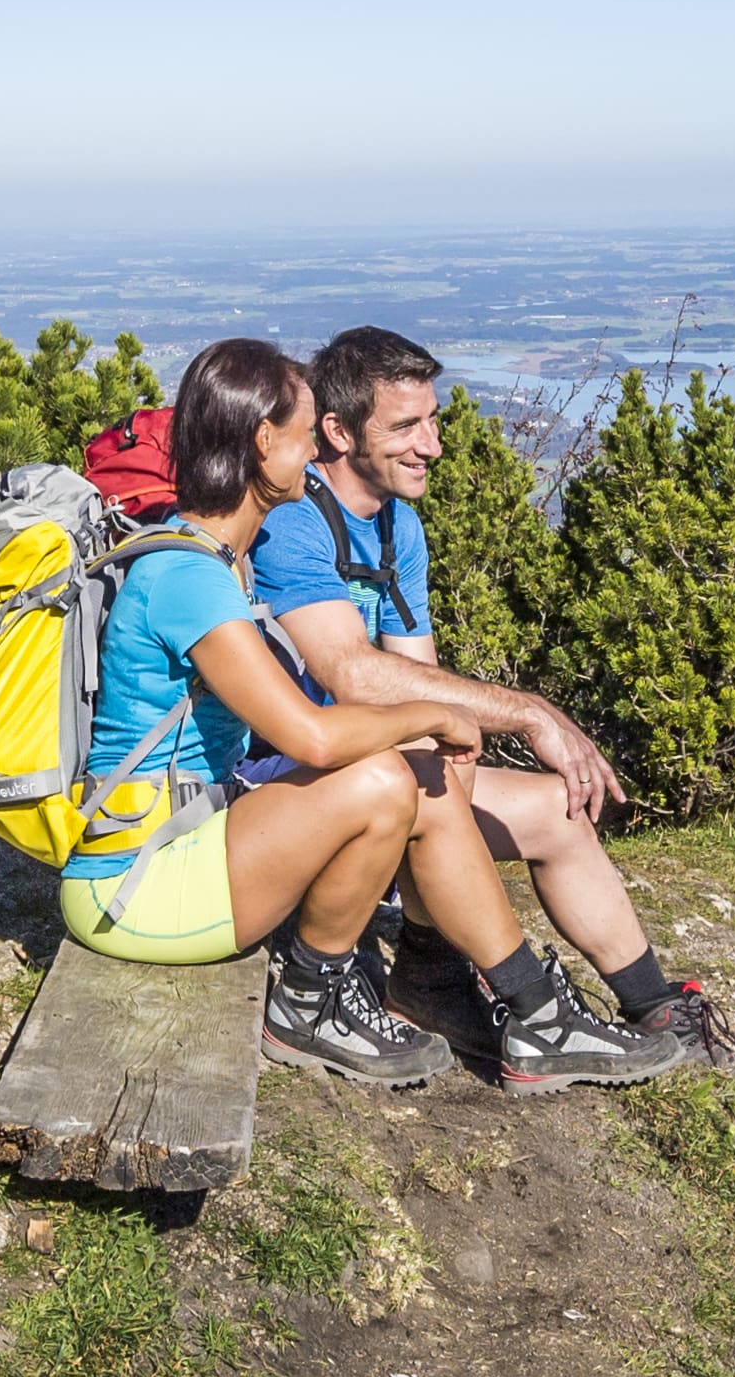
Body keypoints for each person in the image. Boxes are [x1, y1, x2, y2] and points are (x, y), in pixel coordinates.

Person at [255, 325, 735, 1103]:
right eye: (405, 426)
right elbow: (347, 672)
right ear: (338, 432)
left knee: (554, 808)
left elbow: (417, 681)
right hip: (286, 788)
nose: (432, 446)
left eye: (433, 420)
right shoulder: (293, 518)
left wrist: (468, 727)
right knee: (431, 773)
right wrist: (526, 712)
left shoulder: (393, 524)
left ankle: (654, 1018)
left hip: (366, 770)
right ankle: (507, 1000)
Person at [65, 334, 518, 1088]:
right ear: (260, 441)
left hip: (179, 843)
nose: (315, 458)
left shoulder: (213, 559)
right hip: (132, 889)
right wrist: (428, 717)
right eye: (307, 436)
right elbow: (304, 733)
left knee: (387, 775)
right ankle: (311, 1001)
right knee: (380, 781)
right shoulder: (189, 578)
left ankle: (402, 987)